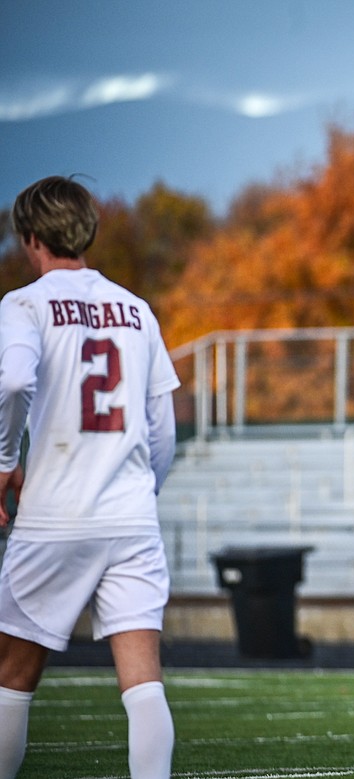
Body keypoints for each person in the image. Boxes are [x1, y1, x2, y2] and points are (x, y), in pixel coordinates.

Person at [0, 176, 180, 778]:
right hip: (130, 518)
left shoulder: (24, 304)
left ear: (31, 238)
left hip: (54, 516)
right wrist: (138, 493)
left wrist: (3, 464)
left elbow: (12, 382)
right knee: (143, 684)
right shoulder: (136, 309)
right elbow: (164, 432)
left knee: (13, 678)